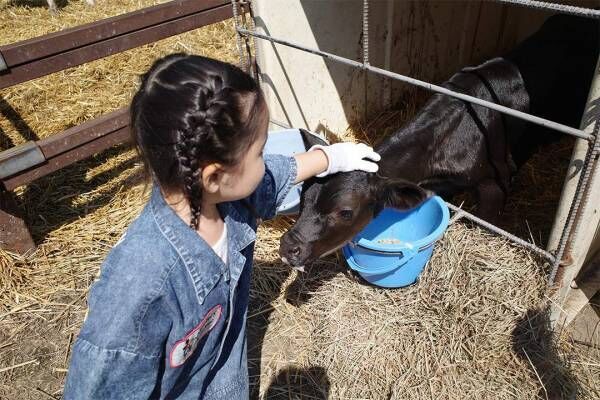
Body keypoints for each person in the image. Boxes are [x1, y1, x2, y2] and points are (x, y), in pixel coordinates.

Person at [63, 54, 380, 399]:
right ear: (215, 176)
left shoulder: (226, 199)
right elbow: (100, 387)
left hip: (226, 380)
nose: (266, 159)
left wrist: (329, 158)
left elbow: (273, 173)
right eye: (259, 152)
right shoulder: (142, 284)